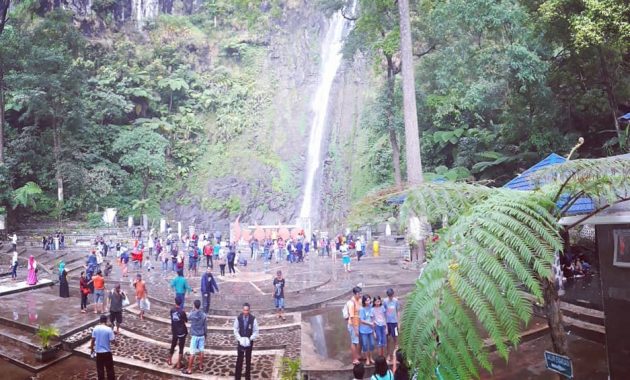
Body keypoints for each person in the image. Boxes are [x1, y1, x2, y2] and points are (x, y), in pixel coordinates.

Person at [233, 302, 259, 380]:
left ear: (249, 310)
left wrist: (250, 338)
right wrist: (239, 338)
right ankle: (237, 377)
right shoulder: (238, 318)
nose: (245, 312)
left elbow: (256, 330)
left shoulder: (253, 319)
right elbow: (235, 329)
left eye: (247, 310)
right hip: (241, 342)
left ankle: (247, 377)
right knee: (239, 360)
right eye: (244, 310)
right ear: (242, 310)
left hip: (249, 342)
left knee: (248, 360)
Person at [183, 299, 207, 375]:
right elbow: (205, 326)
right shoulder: (203, 315)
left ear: (194, 305)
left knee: (192, 353)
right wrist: (205, 335)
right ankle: (200, 366)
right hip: (201, 335)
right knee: (201, 351)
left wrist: (192, 310)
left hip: (195, 335)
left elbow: (187, 317)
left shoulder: (192, 314)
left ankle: (189, 369)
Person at [90, 314, 116, 380]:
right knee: (109, 369)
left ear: (100, 320)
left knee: (100, 370)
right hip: (107, 352)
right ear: (106, 321)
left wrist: (92, 349)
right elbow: (112, 341)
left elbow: (93, 340)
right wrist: (116, 343)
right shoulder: (108, 329)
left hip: (98, 352)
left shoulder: (95, 328)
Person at [167, 297, 188, 369]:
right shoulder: (182, 312)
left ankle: (169, 359)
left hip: (175, 330)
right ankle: (179, 364)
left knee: (173, 345)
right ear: (181, 303)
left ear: (175, 302)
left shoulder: (172, 310)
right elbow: (186, 320)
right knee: (181, 348)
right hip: (181, 331)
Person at [383, 288, 401, 361]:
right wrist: (385, 325)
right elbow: (383, 313)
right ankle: (388, 354)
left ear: (393, 294)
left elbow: (398, 311)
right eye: (389, 296)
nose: (390, 297)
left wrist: (398, 323)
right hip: (388, 322)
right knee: (388, 339)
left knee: (395, 338)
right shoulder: (385, 301)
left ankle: (396, 353)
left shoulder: (396, 301)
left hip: (394, 323)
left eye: (391, 295)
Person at [347, 286, 362, 365]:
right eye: (359, 294)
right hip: (353, 325)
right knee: (354, 342)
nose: (360, 295)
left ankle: (358, 356)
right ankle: (354, 359)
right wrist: (355, 329)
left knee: (358, 341)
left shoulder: (359, 300)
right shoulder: (351, 303)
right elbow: (352, 317)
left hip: (358, 324)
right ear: (355, 294)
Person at [359, 294, 375, 365]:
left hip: (371, 330)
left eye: (369, 299)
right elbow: (361, 320)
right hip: (363, 330)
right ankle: (367, 358)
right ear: (364, 302)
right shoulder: (362, 309)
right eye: (367, 300)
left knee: (372, 344)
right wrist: (370, 323)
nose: (369, 301)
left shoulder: (371, 307)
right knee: (365, 345)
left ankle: (371, 357)